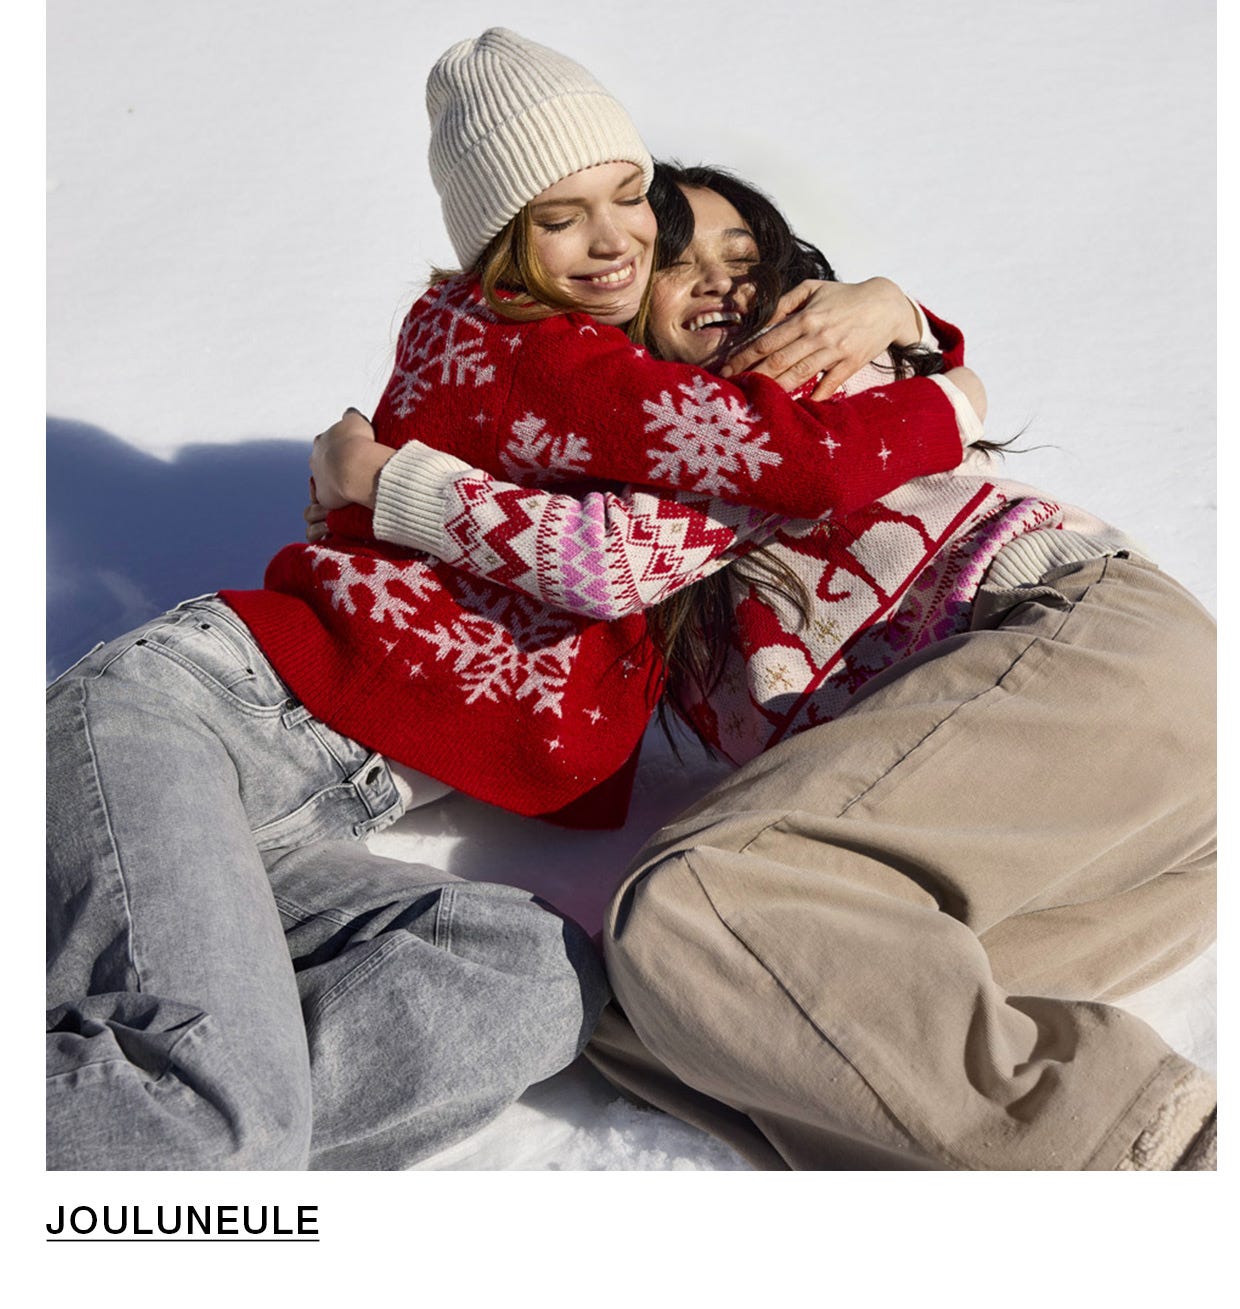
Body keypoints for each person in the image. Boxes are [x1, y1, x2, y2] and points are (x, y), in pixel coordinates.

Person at [326, 163, 1216, 1170]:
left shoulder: (805, 407)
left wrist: (384, 480)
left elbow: (606, 555)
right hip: (1097, 845)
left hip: (1090, 659)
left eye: (744, 258)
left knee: (702, 903)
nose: (720, 281)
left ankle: (1158, 1158)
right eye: (681, 261)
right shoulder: (662, 466)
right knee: (675, 1005)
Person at [273, 31, 982, 831]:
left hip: (368, 715)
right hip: (345, 699)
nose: (614, 242)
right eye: (561, 217)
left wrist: (901, 311)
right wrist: (957, 397)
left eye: (629, 196)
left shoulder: (459, 327)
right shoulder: (572, 365)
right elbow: (633, 543)